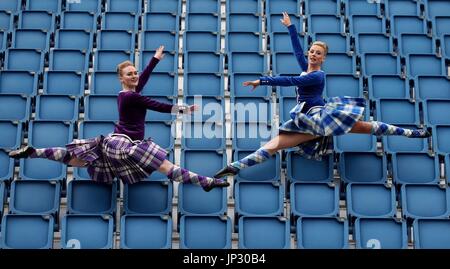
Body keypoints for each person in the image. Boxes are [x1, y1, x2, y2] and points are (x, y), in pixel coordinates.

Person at [214, 12, 431, 178]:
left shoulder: (317, 76)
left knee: (366, 127)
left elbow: (291, 81)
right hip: (305, 121)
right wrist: (291, 28)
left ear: (323, 58)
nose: (313, 54)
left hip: (321, 117)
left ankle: (412, 133)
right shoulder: (306, 66)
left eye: (318, 53)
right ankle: (232, 168)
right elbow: (298, 52)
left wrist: (262, 80)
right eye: (312, 51)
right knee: (273, 145)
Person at [9, 45, 229, 192]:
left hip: (117, 142)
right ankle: (206, 182)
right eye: (129, 74)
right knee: (164, 165)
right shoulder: (132, 97)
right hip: (124, 144)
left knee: (78, 160)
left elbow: (142, 81)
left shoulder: (127, 93)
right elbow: (159, 106)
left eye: (135, 72)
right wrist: (184, 110)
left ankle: (34, 152)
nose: (134, 76)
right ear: (121, 79)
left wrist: (154, 60)